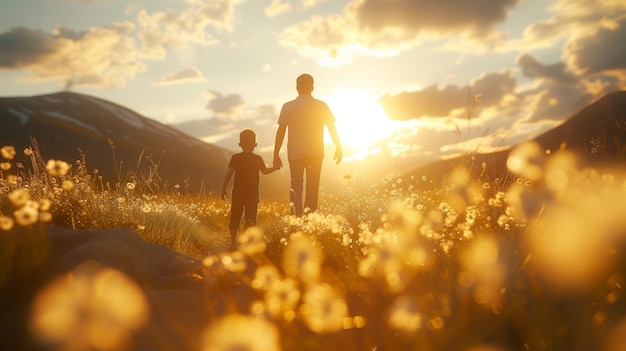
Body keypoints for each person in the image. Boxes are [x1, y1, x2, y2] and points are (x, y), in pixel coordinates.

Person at [273, 73, 342, 216]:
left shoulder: (288, 106)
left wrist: (276, 154)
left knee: (296, 188)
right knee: (312, 188)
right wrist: (338, 148)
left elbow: (281, 131)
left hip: (295, 153)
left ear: (297, 87)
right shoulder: (321, 106)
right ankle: (310, 223)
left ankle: (295, 222)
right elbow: (331, 127)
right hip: (315, 152)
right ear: (313, 87)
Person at [221, 129, 279, 250]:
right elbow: (265, 171)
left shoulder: (235, 158)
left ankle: (233, 244)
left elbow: (229, 173)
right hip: (252, 194)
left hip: (237, 193)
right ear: (255, 144)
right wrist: (275, 168)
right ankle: (248, 245)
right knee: (250, 218)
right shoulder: (258, 159)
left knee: (235, 216)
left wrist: (224, 188)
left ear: (239, 144)